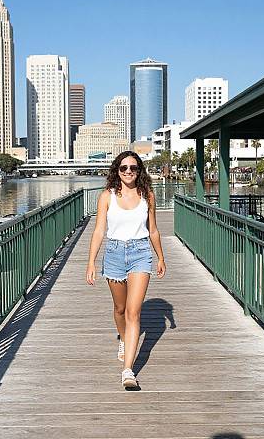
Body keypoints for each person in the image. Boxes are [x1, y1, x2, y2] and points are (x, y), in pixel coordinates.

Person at [86, 151, 166, 388]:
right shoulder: (106, 197)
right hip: (114, 254)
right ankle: (123, 337)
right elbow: (99, 230)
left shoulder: (147, 196)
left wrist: (161, 257)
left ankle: (128, 371)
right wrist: (91, 261)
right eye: (124, 168)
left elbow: (153, 230)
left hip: (141, 254)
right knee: (120, 309)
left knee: (134, 312)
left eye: (133, 168)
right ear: (117, 171)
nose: (129, 172)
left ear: (139, 171)